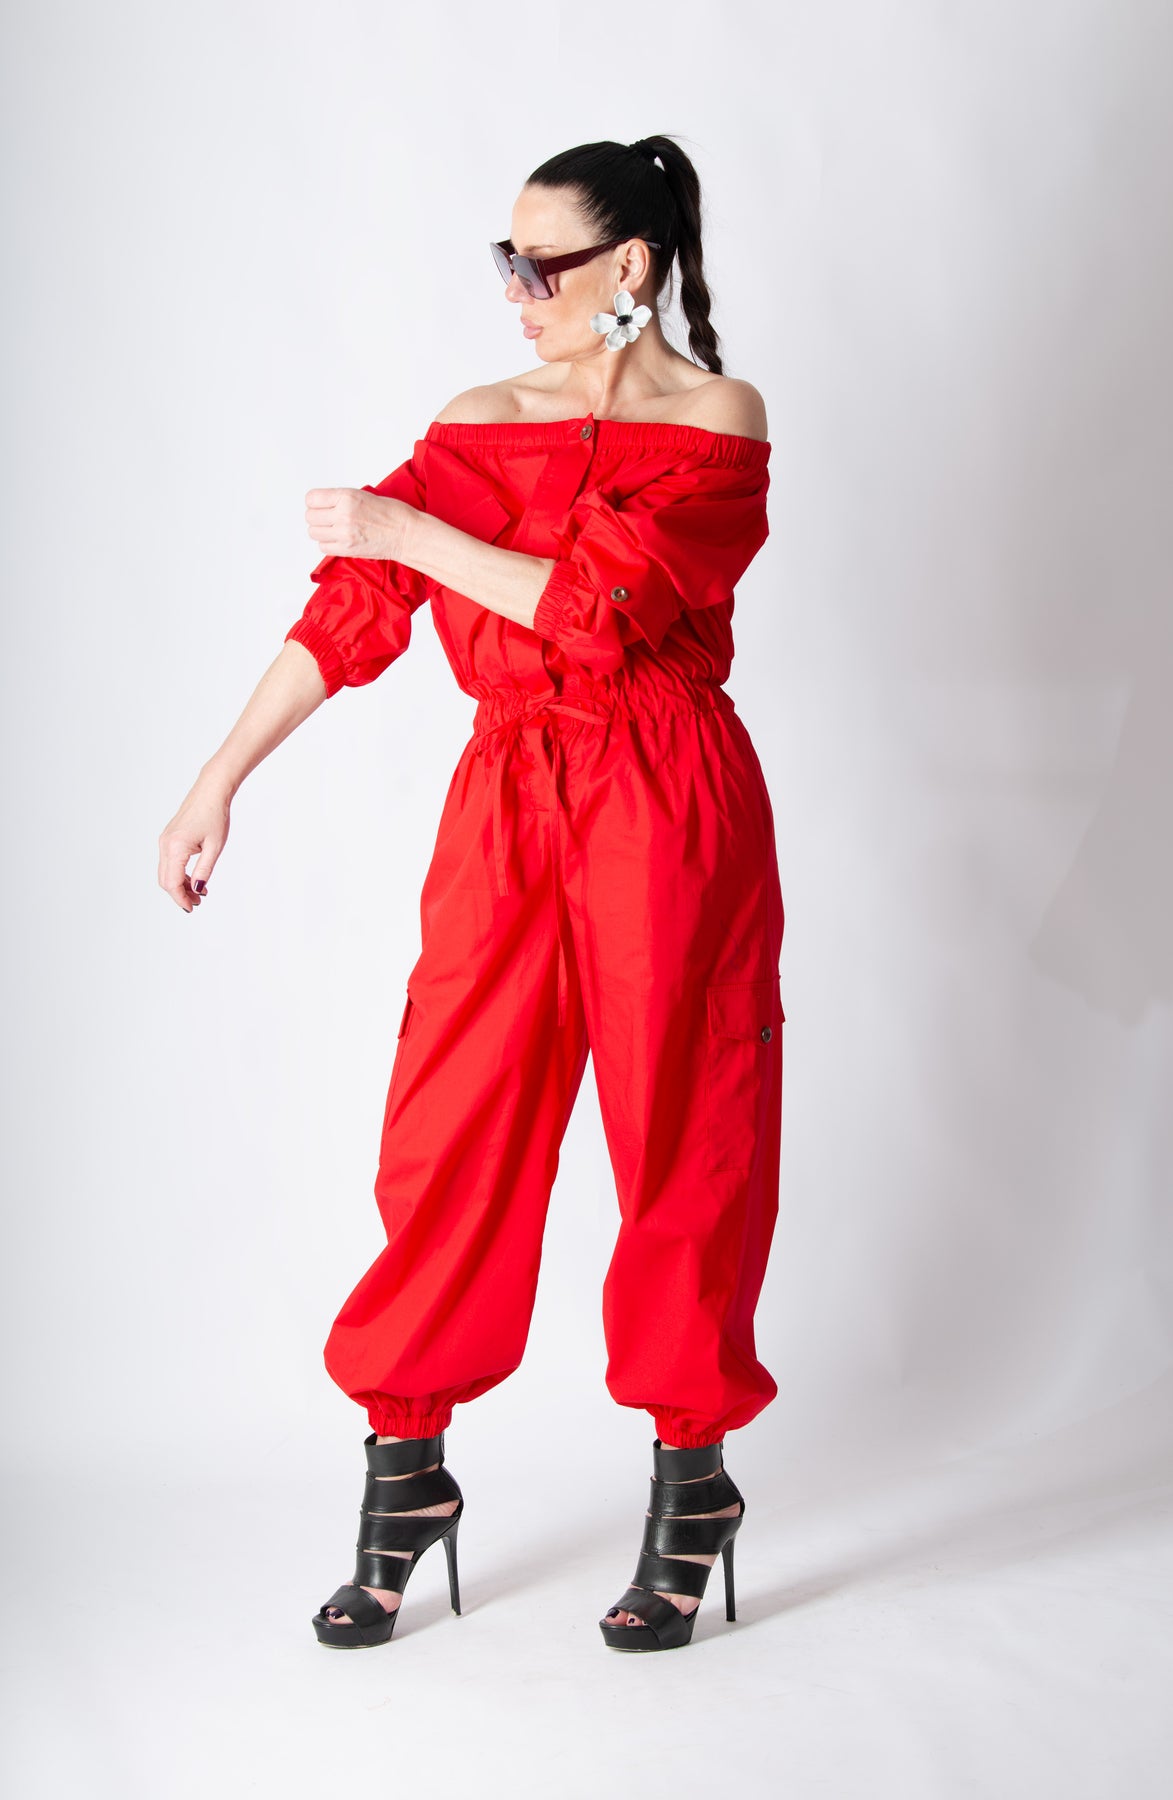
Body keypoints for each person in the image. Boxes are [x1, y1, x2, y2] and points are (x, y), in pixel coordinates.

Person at [158, 133, 786, 1655]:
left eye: (538, 265)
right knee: (451, 1122)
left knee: (684, 1125)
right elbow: (360, 602)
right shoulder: (477, 422)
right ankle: (407, 1475)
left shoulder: (716, 419)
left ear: (628, 264)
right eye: (503, 264)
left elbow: (602, 608)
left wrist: (413, 530)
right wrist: (218, 776)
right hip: (507, 789)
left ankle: (694, 1483)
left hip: (662, 786)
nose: (514, 294)